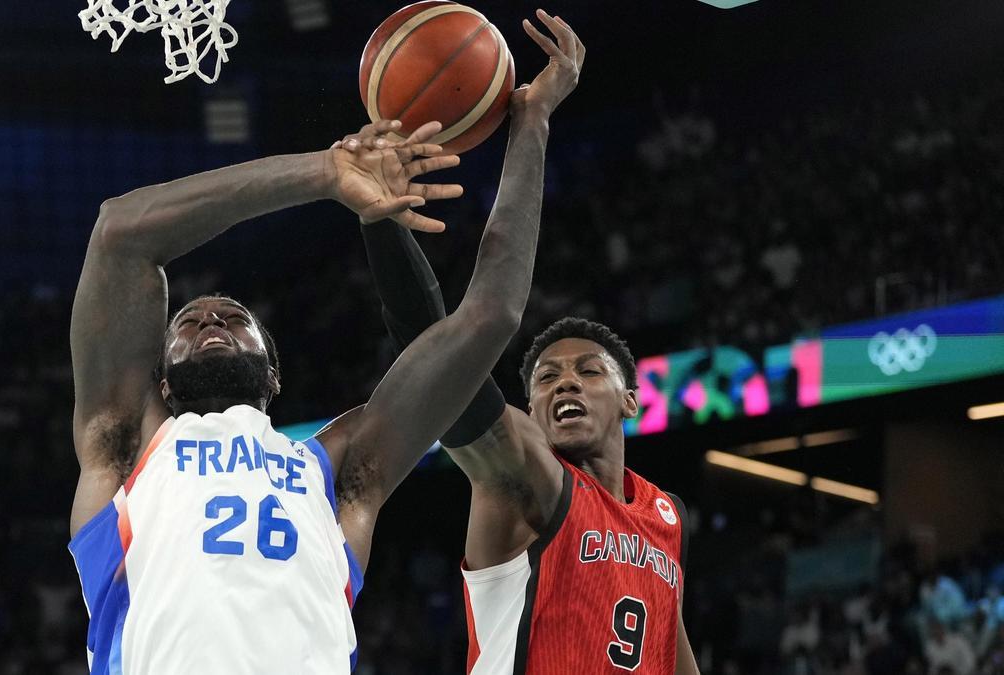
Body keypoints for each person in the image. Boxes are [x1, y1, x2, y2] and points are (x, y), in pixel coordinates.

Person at [66, 9, 583, 673]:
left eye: (230, 314)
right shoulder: (124, 448)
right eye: (188, 323)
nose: (210, 320)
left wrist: (532, 123)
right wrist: (323, 172)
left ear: (275, 375)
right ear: (159, 381)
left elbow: (489, 317)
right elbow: (120, 234)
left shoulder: (340, 473)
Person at [355, 14, 697, 672]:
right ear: (532, 409)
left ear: (631, 398)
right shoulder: (525, 480)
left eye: (587, 371)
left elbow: (670, 651)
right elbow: (438, 355)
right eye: (543, 378)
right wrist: (382, 223)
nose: (563, 382)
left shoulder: (666, 516)